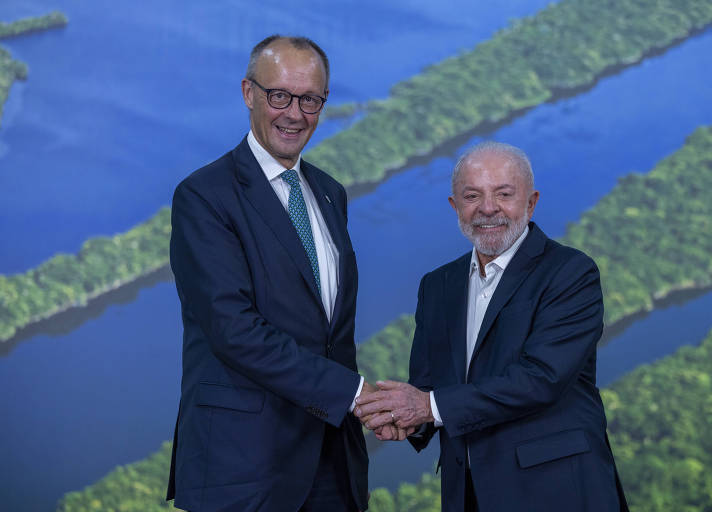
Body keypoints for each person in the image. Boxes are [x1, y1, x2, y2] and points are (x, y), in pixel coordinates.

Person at [354, 142, 629, 511]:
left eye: (504, 194)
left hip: (557, 492)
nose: (487, 208)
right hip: (467, 496)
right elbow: (430, 388)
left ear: (531, 203)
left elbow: (540, 379)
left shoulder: (570, 273)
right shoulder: (437, 286)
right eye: (472, 196)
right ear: (455, 207)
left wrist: (426, 407)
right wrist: (404, 418)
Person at [166, 35, 375, 512]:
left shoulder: (330, 193)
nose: (295, 114)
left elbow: (329, 332)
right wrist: (355, 395)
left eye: (310, 100)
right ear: (248, 93)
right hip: (243, 467)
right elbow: (234, 330)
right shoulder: (203, 196)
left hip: (332, 462)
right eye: (279, 96)